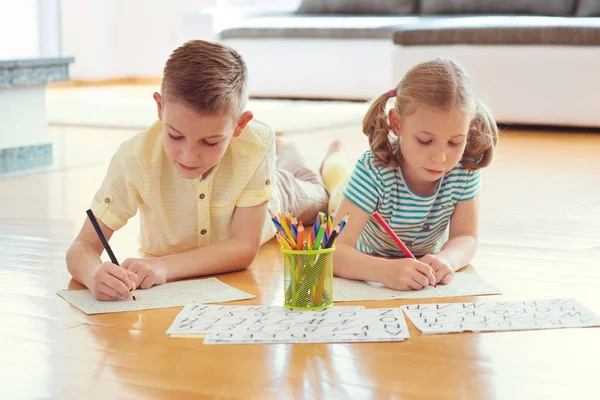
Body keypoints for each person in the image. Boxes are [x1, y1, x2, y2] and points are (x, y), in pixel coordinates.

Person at [65, 40, 345, 301]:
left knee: (322, 196)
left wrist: (162, 267)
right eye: (175, 136)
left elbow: (243, 249)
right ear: (160, 108)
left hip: (277, 201)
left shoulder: (254, 145)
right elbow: (81, 248)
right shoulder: (135, 158)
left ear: (239, 125)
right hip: (250, 167)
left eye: (210, 142)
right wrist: (93, 274)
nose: (189, 155)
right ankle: (281, 151)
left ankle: (319, 157)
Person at [329, 57, 499, 291]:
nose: (440, 158)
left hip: (411, 262)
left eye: (455, 142)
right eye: (425, 140)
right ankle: (334, 155)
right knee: (334, 181)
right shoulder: (372, 170)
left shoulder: (465, 168)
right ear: (397, 124)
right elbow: (332, 252)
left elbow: (466, 238)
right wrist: (384, 271)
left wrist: (448, 259)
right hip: (349, 205)